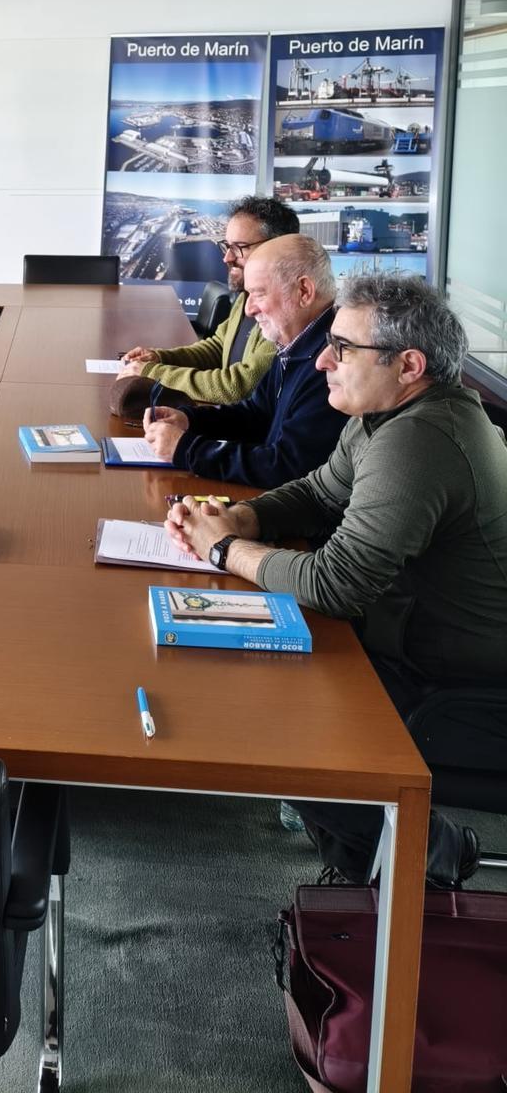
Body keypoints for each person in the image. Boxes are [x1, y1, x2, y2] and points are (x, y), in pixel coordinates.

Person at [165, 273, 507, 886]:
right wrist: (247, 515)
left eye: (343, 348)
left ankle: (425, 858)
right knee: (255, 675)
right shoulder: (387, 414)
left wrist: (226, 550)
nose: (323, 358)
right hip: (410, 647)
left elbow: (337, 583)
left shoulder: (422, 441)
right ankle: (364, 869)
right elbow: (322, 492)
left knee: (270, 715)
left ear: (409, 364)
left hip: (461, 688)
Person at [142, 234, 343, 489]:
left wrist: (186, 449)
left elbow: (288, 467)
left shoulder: (332, 365)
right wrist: (189, 420)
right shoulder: (295, 344)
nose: (249, 309)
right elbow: (256, 415)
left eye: (258, 294)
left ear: (304, 291)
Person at [118, 195, 299, 406]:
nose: (227, 258)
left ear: (276, 247)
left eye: (239, 247)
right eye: (226, 246)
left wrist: (153, 373)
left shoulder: (287, 312)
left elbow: (240, 385)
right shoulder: (246, 296)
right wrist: (159, 358)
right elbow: (218, 348)